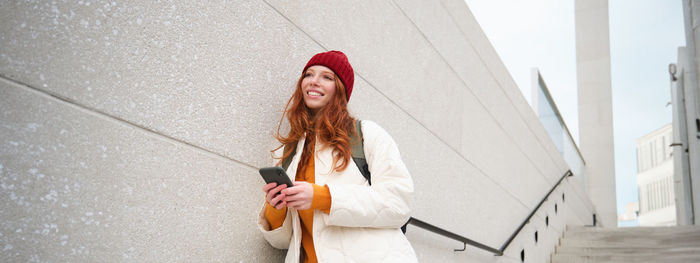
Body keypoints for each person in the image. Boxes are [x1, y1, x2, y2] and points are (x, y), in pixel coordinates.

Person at [256, 50, 417, 263]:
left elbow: (398, 203)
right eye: (308, 75)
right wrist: (276, 208)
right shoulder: (290, 152)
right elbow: (284, 242)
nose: (314, 82)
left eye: (327, 77)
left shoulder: (367, 134)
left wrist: (323, 197)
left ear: (340, 89)